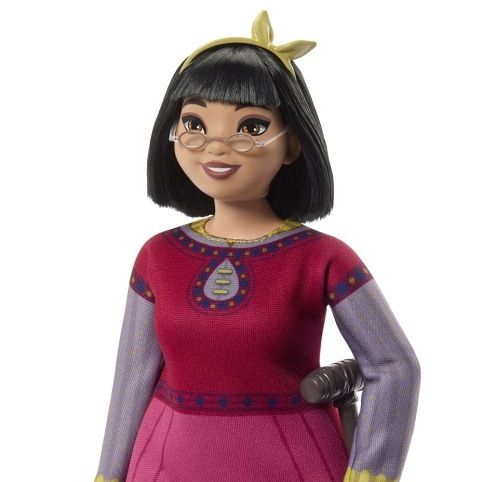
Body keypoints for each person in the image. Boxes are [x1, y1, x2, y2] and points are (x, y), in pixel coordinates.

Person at [95, 11, 420, 482]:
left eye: (250, 127)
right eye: (194, 123)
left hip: (292, 463)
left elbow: (393, 366)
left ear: (292, 145)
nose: (216, 146)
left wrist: (372, 470)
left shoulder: (322, 258)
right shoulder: (158, 256)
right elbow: (132, 377)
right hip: (164, 463)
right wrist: (109, 472)